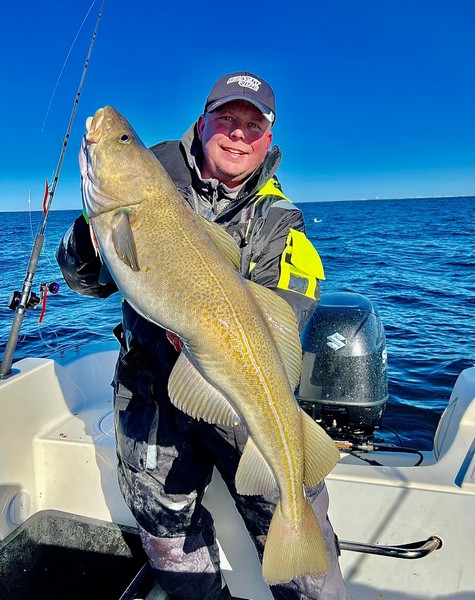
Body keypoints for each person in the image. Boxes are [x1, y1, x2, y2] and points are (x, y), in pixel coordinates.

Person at [57, 71, 345, 600]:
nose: (237, 134)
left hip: (243, 402)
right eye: (226, 119)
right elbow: (89, 280)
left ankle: (297, 539)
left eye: (252, 126)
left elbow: (289, 309)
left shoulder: (282, 223)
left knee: (309, 564)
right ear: (202, 121)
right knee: (171, 542)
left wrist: (212, 336)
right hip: (153, 396)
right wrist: (87, 235)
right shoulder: (155, 176)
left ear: (268, 141)